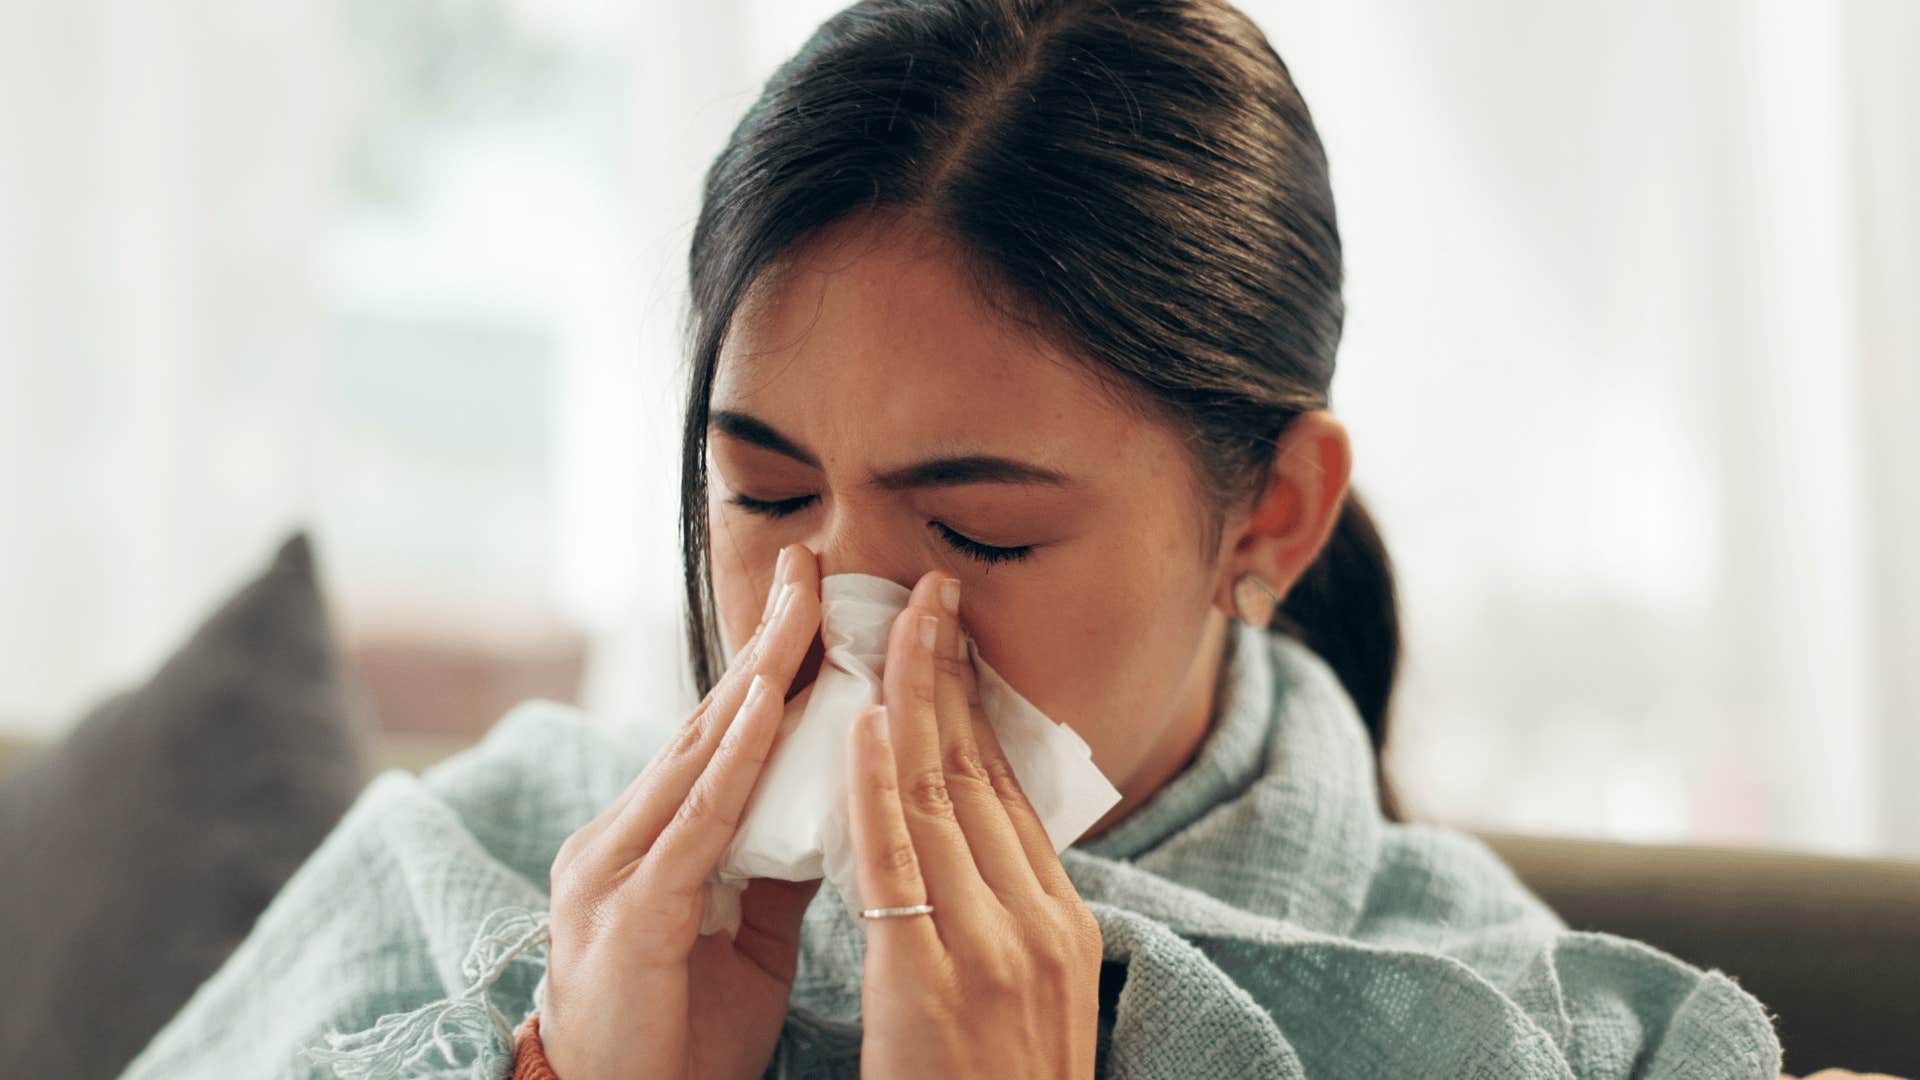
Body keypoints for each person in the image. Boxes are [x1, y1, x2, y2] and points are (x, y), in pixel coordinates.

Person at [118, 0, 1791, 1077]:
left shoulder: (1527, 1035)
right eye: (763, 496)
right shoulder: (485, 869)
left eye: (978, 531)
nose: (832, 616)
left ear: (1266, 516)